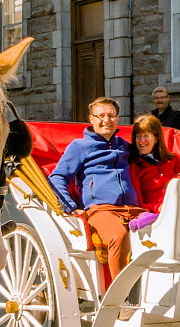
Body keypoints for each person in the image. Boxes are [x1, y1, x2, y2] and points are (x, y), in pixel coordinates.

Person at [47, 96, 139, 284]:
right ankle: (121, 299)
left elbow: (152, 153)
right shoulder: (79, 147)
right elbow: (57, 177)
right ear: (92, 119)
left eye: (111, 116)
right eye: (101, 116)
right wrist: (70, 207)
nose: (107, 120)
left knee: (163, 231)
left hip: (133, 209)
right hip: (101, 210)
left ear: (117, 118)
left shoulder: (124, 146)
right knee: (117, 236)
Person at [126, 114, 180, 230]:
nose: (141, 141)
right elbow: (137, 202)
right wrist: (159, 208)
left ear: (156, 138)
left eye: (146, 136)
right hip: (151, 217)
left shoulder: (174, 161)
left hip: (177, 212)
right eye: (138, 136)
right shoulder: (134, 165)